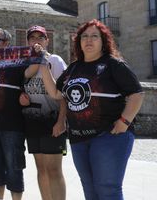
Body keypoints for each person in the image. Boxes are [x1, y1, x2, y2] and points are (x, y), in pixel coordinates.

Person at [39, 19, 144, 200]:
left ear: (103, 41)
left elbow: (137, 94)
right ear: (79, 41)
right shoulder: (74, 67)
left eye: (94, 36)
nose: (89, 40)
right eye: (85, 36)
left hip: (108, 136)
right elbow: (56, 93)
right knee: (90, 191)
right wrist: (42, 65)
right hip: (79, 139)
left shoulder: (113, 64)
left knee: (107, 189)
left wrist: (125, 121)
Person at [0, 27, 40, 200]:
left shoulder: (16, 63)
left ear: (6, 44)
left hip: (12, 126)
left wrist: (38, 53)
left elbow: (32, 70)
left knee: (14, 167)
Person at [20, 25, 67, 200]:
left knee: (54, 170)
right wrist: (22, 98)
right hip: (32, 122)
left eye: (41, 37)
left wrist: (61, 121)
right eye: (32, 37)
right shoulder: (24, 63)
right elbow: (22, 89)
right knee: (41, 169)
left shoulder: (55, 60)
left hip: (53, 121)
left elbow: (64, 94)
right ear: (27, 42)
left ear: (47, 41)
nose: (36, 40)